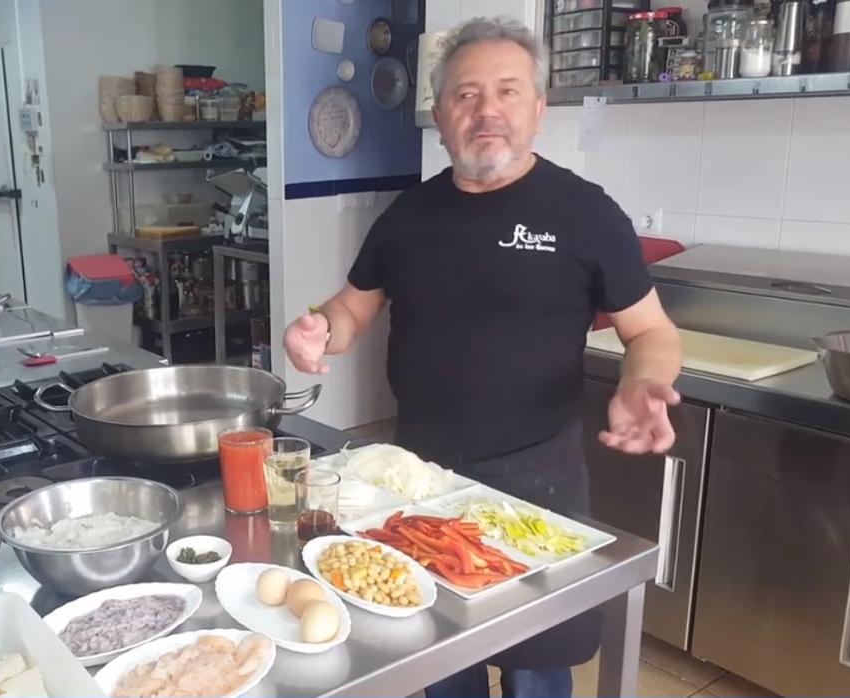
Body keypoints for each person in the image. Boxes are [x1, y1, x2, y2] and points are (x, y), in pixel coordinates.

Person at [282, 15, 683, 698]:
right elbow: (353, 306)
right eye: (466, 94)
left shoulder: (585, 213)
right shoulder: (407, 217)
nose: (487, 110)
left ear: (537, 108)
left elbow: (651, 333)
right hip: (419, 480)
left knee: (536, 666)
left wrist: (643, 382)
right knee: (441, 657)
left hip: (536, 482)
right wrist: (319, 326)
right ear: (440, 114)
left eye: (507, 91)